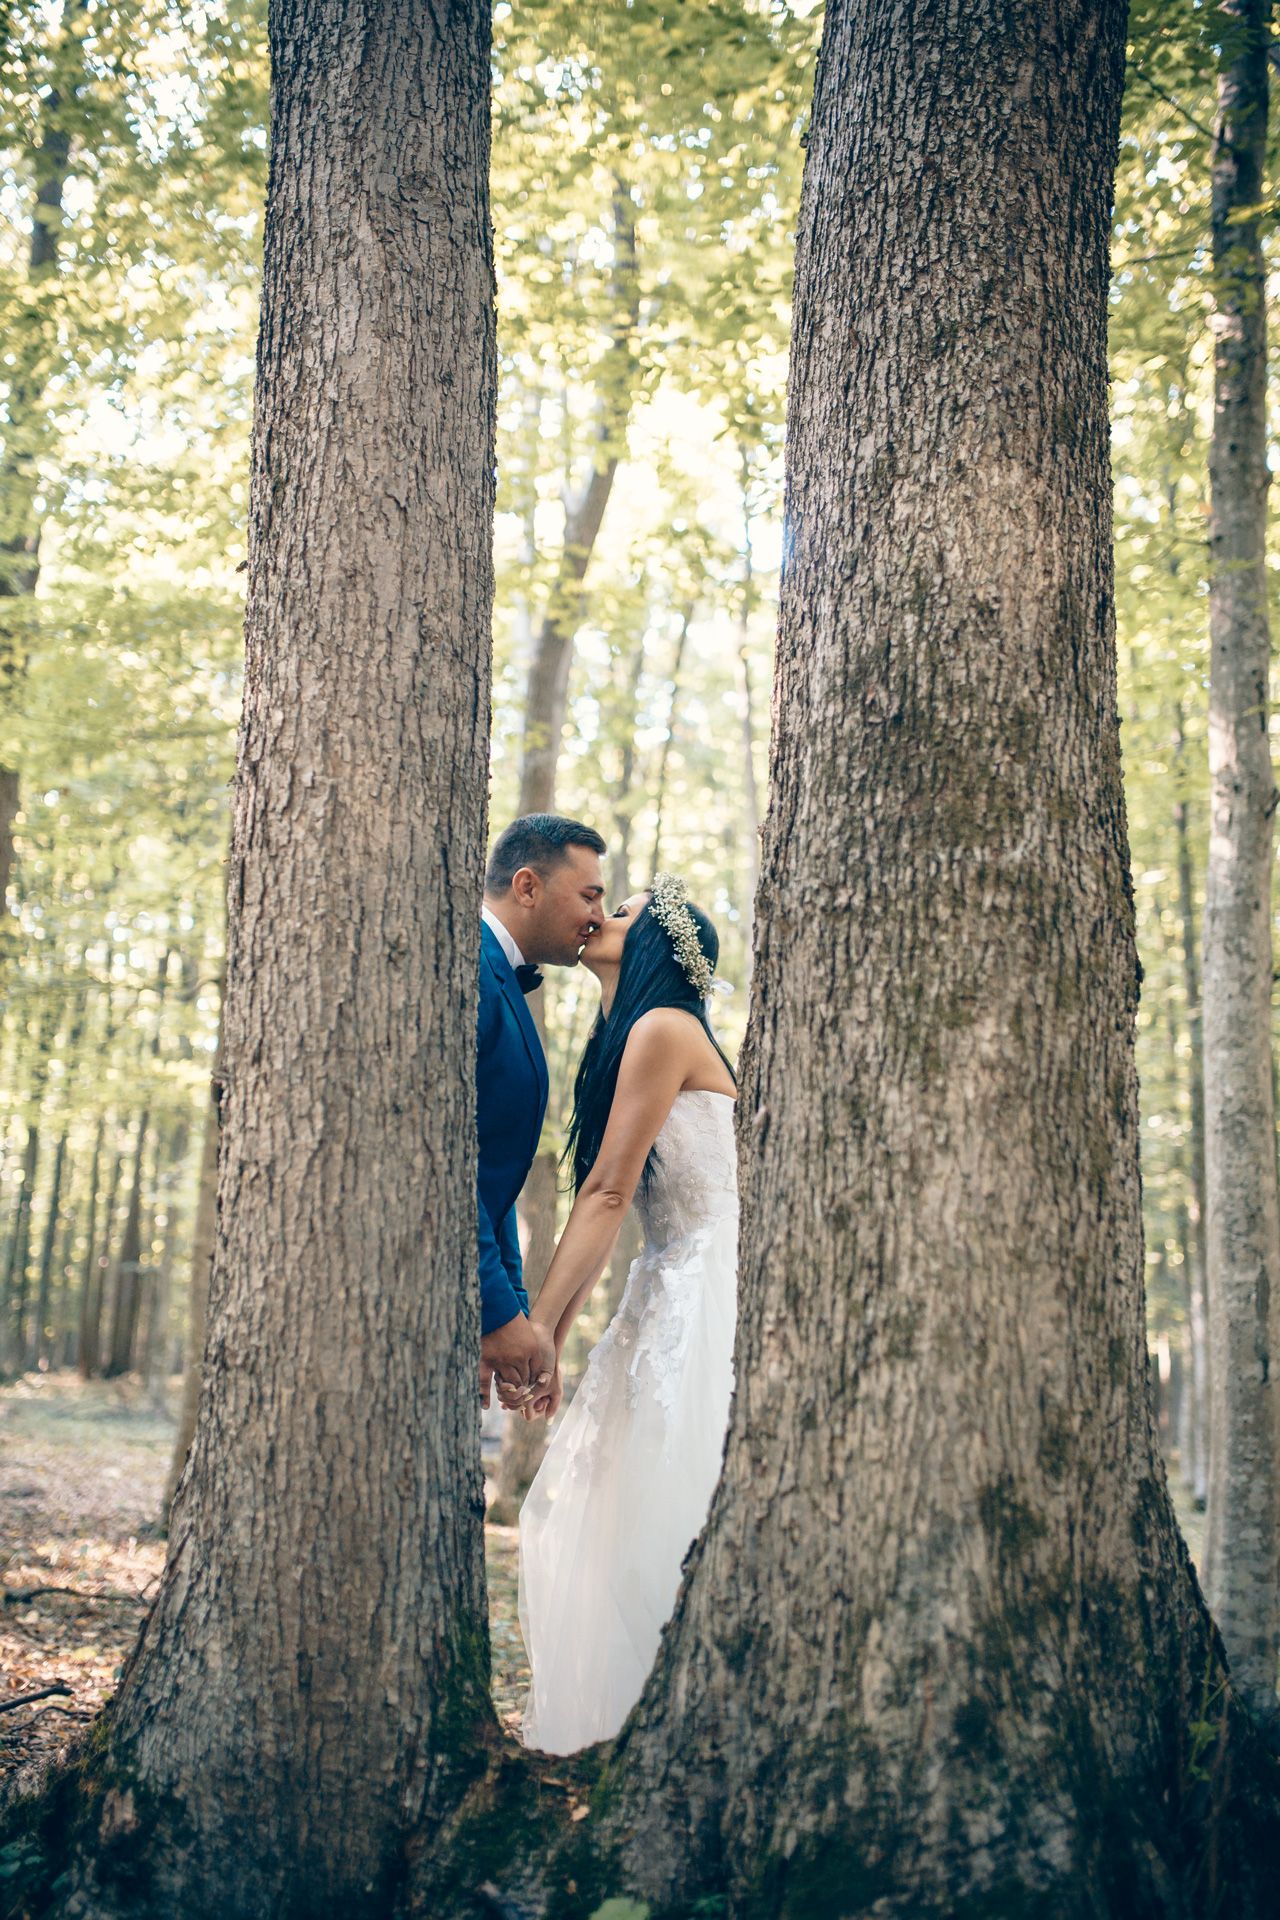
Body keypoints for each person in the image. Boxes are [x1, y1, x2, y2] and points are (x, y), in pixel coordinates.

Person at [517, 873, 738, 1754]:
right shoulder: (625, 1035)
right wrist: (554, 1334)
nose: (599, 918)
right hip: (665, 1277)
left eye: (621, 911)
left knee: (665, 1503)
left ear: (656, 945)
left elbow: (608, 1194)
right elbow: (607, 1204)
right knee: (617, 1505)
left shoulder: (664, 1028)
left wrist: (535, 1327)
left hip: (707, 1284)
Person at [477, 813, 607, 1410]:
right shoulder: (472, 970)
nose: (597, 917)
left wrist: (509, 1307)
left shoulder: (500, 973)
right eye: (589, 895)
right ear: (527, 887)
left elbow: (494, 1172)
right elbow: (447, 1167)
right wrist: (497, 1312)